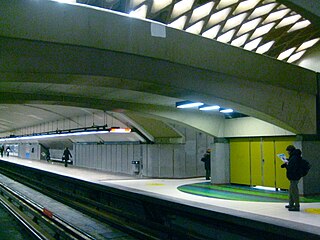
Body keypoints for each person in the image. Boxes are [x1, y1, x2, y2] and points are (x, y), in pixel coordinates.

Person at [281, 145, 302, 211]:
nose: (287, 152)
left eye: (288, 151)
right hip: (294, 176)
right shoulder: (294, 157)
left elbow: (291, 167)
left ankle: (296, 206)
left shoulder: (294, 157)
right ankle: (291, 204)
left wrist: (286, 165)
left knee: (294, 191)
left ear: (290, 151)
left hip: (294, 177)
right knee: (291, 191)